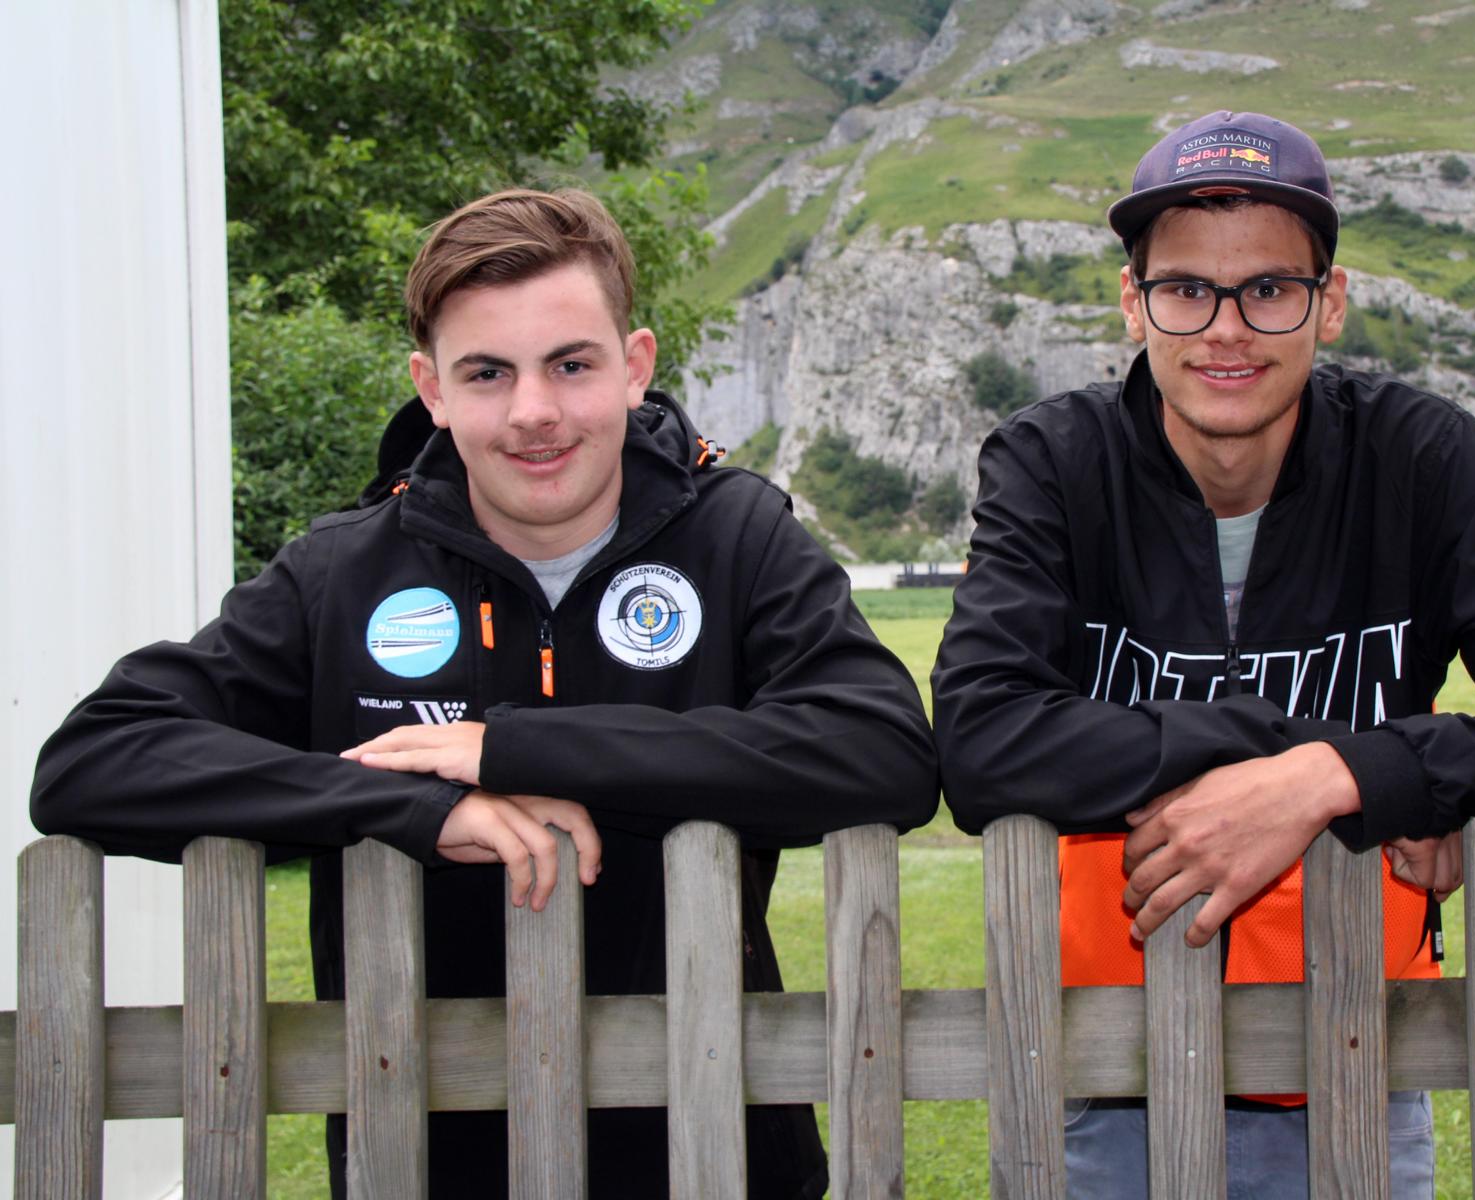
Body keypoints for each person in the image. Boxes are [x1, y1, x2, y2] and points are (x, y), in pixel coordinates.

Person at [32, 188, 939, 1199]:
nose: (533, 413)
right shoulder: (343, 572)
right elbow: (93, 761)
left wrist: (508, 748)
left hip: (714, 1148)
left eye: (571, 364)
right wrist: (421, 807)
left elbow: (883, 753)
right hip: (420, 1154)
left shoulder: (738, 537)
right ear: (431, 388)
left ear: (634, 364)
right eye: (486, 373)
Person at [930, 110, 1475, 1196]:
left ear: (1327, 303)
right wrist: (1341, 759)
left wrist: (1332, 778)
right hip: (1103, 1069)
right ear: (1131, 301)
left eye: (1268, 290)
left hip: (1359, 1060)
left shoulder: (1421, 456)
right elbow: (979, 741)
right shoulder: (1054, 461)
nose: (1223, 329)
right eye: (1184, 288)